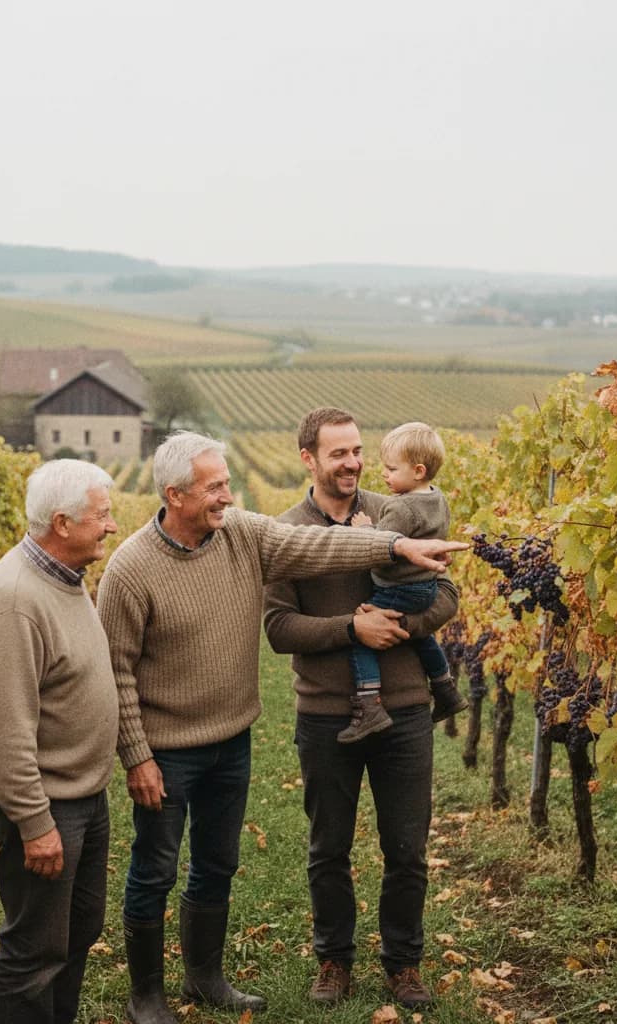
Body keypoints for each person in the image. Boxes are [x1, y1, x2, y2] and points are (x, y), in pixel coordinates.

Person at [96, 430, 465, 1024]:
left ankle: (204, 978)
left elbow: (321, 547)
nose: (227, 495)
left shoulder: (244, 532)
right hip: (168, 749)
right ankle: (147, 996)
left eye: (226, 483)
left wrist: (392, 544)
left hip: (233, 738)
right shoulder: (132, 567)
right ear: (175, 494)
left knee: (216, 863)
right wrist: (137, 755)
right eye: (215, 486)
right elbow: (114, 669)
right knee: (156, 867)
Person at [263, 407, 461, 1011]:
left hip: (402, 711)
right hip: (325, 715)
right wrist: (353, 627)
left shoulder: (400, 509)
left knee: (407, 849)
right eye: (337, 453)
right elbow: (277, 627)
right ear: (309, 459)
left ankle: (403, 965)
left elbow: (447, 591)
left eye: (356, 451)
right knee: (329, 849)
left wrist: (401, 625)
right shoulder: (287, 531)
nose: (351, 463)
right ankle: (334, 961)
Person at [0, 459, 119, 1024]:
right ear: (62, 522)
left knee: (77, 931)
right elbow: (3, 732)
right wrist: (35, 824)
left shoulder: (63, 578)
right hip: (47, 801)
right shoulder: (16, 602)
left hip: (80, 794)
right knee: (35, 949)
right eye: (101, 516)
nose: (110, 525)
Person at [338, 420, 468, 742]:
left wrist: (364, 530)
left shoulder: (400, 506)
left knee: (363, 631)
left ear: (418, 471)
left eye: (392, 469)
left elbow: (381, 547)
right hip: (426, 588)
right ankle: (445, 688)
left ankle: (369, 703)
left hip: (398, 588)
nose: (384, 474)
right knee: (422, 637)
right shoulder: (438, 499)